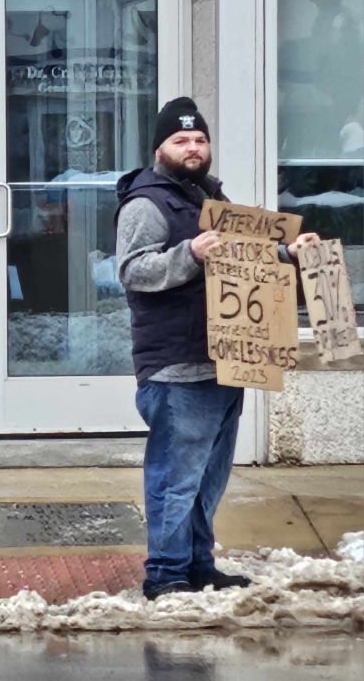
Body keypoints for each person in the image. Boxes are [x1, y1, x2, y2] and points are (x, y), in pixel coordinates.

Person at [116, 97, 318, 601]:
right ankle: (166, 575)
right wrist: (189, 252)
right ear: (160, 147)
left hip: (226, 359)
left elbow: (242, 256)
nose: (192, 147)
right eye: (181, 139)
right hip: (176, 364)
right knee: (176, 479)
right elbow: (133, 270)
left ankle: (199, 565)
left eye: (200, 139)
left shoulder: (209, 198)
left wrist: (285, 252)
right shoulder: (147, 202)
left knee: (208, 478)